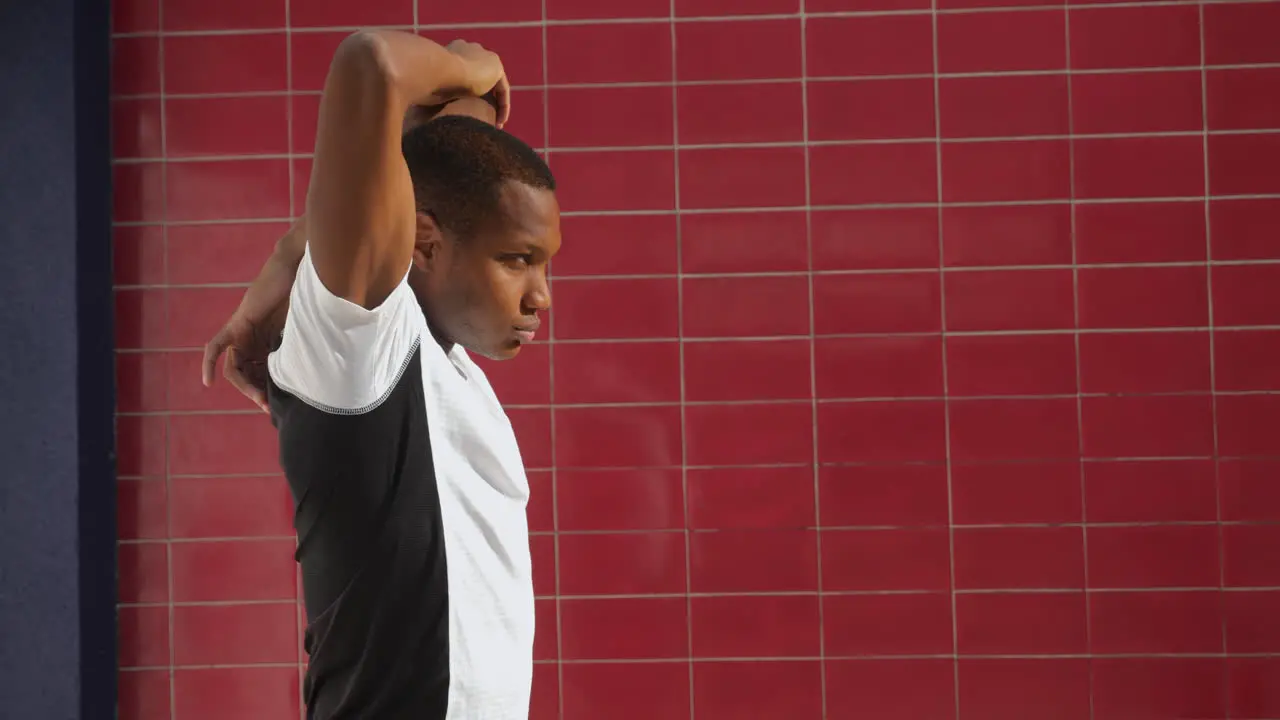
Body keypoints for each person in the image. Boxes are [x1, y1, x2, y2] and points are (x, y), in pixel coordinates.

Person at [199, 31, 560, 720]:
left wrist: (286, 250)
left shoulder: (435, 357)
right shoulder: (362, 342)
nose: (541, 295)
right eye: (517, 260)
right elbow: (374, 64)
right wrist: (470, 65)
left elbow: (447, 146)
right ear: (424, 241)